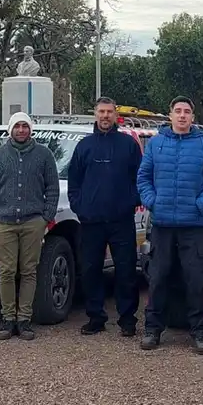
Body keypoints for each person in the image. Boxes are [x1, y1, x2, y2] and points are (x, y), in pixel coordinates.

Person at [138, 97, 203, 355]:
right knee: (158, 279)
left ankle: (199, 332)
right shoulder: (156, 144)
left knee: (195, 281)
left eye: (187, 111)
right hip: (162, 225)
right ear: (170, 115)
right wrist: (152, 201)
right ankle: (152, 330)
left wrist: (200, 205)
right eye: (178, 111)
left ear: (192, 117)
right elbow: (143, 178)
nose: (182, 115)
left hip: (193, 226)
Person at [67, 97, 144, 337]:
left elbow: (140, 177)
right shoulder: (84, 146)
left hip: (121, 220)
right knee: (91, 270)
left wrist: (132, 201)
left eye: (109, 112)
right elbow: (74, 181)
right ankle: (95, 317)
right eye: (101, 111)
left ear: (115, 115)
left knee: (126, 271)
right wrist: (79, 206)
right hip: (91, 221)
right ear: (95, 114)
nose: (105, 116)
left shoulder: (128, 145)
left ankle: (127, 319)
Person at [0, 112, 60, 341]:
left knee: (29, 271)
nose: (21, 130)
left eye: (25, 126)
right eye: (17, 126)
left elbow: (52, 188)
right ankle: (8, 319)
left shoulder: (44, 155)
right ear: (11, 130)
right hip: (3, 222)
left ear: (30, 129)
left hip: (33, 222)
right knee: (6, 271)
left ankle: (24, 319)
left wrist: (46, 217)